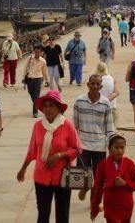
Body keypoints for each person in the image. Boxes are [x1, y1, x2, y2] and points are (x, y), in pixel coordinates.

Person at [17, 91, 82, 223]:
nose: (48, 108)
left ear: (58, 108)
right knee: (43, 214)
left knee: (62, 214)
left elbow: (77, 149)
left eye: (51, 105)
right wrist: (23, 168)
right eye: (46, 106)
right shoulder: (38, 126)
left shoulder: (67, 125)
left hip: (63, 177)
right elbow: (32, 150)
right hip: (42, 177)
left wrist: (59, 155)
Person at [72, 74, 115, 201]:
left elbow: (109, 126)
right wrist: (73, 142)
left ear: (101, 86)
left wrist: (111, 144)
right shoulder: (79, 101)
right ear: (88, 85)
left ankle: (95, 201)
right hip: (83, 144)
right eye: (92, 83)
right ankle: (85, 188)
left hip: (99, 146)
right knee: (83, 173)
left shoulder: (106, 104)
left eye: (97, 84)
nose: (95, 86)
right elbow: (74, 125)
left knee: (98, 176)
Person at [90, 134, 135, 223]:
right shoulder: (103, 165)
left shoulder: (129, 164)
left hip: (126, 206)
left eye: (122, 148)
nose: (119, 151)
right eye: (116, 147)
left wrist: (125, 183)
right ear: (109, 149)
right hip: (110, 206)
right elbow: (97, 188)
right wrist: (95, 208)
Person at [22, 45, 50, 117]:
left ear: (41, 53)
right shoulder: (30, 58)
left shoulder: (43, 61)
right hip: (30, 78)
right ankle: (36, 103)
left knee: (36, 95)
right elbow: (25, 68)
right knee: (31, 92)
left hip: (38, 79)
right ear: (34, 52)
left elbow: (45, 72)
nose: (37, 54)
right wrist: (23, 77)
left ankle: (35, 112)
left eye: (38, 52)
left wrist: (47, 80)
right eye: (36, 52)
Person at [96, 62, 121, 128]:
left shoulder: (95, 80)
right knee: (111, 129)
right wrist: (107, 100)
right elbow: (117, 92)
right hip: (112, 107)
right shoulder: (112, 79)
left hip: (99, 107)